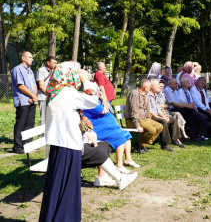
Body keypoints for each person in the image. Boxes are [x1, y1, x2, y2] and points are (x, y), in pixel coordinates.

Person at [39, 61, 99, 222]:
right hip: (68, 144)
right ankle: (64, 217)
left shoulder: (55, 91)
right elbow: (93, 100)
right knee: (67, 185)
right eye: (76, 72)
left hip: (59, 145)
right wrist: (86, 80)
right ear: (69, 75)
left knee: (57, 183)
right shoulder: (68, 93)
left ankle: (53, 216)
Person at [81, 75, 140, 174]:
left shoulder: (94, 101)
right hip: (98, 130)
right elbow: (104, 110)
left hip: (107, 128)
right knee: (120, 136)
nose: (97, 93)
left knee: (126, 135)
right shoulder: (90, 103)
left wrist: (103, 97)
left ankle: (128, 159)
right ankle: (119, 165)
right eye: (96, 91)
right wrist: (104, 96)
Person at [81, 120, 137, 190]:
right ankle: (120, 179)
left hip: (79, 144)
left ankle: (102, 177)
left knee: (103, 145)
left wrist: (89, 138)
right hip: (70, 151)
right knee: (99, 151)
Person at [125, 79, 163, 154]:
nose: (150, 89)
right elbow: (134, 111)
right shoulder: (135, 94)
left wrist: (149, 118)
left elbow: (148, 108)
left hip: (145, 118)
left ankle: (141, 144)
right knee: (152, 130)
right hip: (134, 120)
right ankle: (140, 145)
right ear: (145, 88)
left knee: (159, 127)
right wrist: (137, 125)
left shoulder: (146, 94)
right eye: (149, 87)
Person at [11, 51, 37, 154]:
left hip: (32, 101)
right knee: (20, 124)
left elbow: (34, 85)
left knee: (30, 123)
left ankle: (28, 144)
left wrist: (34, 97)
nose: (32, 59)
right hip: (23, 101)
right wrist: (33, 96)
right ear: (23, 58)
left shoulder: (30, 71)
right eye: (30, 57)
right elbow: (20, 86)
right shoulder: (17, 70)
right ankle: (17, 146)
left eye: (32, 57)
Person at [149, 78, 184, 150]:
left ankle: (174, 140)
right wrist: (162, 118)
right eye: (157, 86)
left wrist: (164, 116)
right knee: (163, 121)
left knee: (173, 120)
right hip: (151, 117)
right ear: (152, 86)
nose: (159, 87)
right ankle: (164, 144)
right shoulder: (148, 96)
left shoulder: (155, 95)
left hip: (157, 115)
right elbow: (149, 111)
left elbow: (158, 109)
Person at [175, 77, 210, 141]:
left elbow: (191, 101)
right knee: (197, 116)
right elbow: (182, 102)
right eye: (187, 82)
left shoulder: (188, 91)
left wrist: (195, 108)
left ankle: (200, 135)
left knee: (202, 116)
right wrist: (191, 107)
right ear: (182, 83)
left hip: (191, 109)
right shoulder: (180, 91)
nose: (189, 83)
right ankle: (197, 134)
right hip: (185, 109)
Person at [36, 56, 57, 125]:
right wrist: (49, 94)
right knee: (43, 118)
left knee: (51, 116)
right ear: (48, 63)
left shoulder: (54, 71)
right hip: (43, 96)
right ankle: (42, 135)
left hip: (51, 96)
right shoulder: (41, 70)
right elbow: (41, 85)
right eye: (54, 63)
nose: (55, 65)